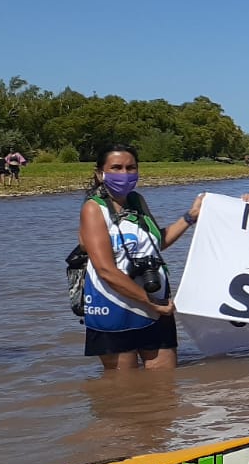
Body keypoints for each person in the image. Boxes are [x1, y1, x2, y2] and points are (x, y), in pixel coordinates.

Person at [78, 145, 205, 370]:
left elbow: (157, 244)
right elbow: (105, 270)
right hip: (114, 307)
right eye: (116, 168)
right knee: (121, 391)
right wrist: (151, 303)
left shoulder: (137, 201)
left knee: (163, 386)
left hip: (156, 306)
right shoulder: (93, 209)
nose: (124, 174)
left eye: (131, 168)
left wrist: (190, 217)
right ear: (100, 174)